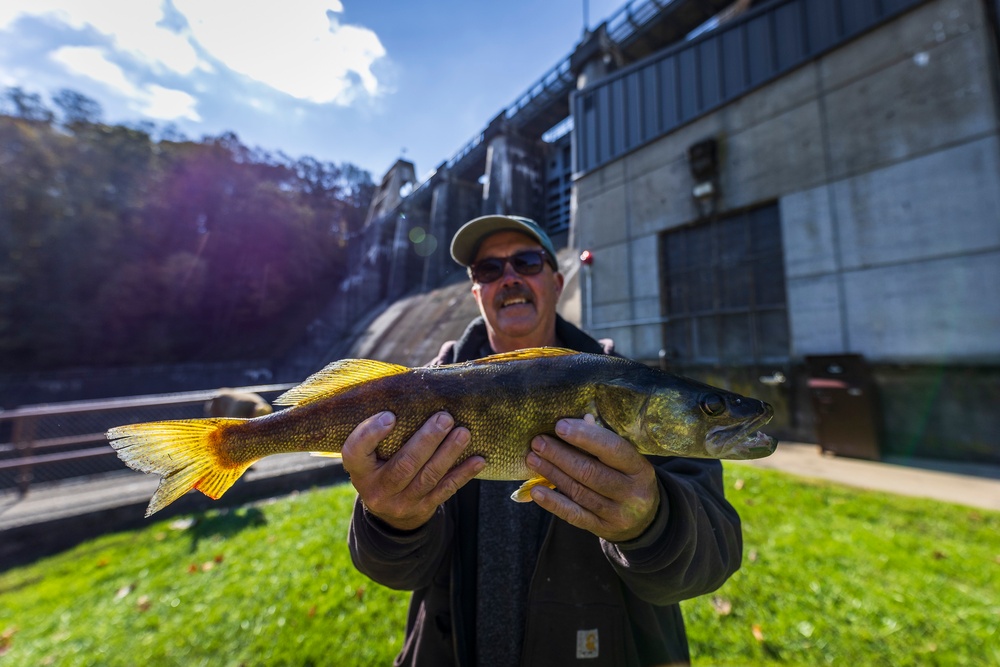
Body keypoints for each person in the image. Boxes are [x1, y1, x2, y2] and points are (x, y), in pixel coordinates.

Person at [343, 214, 742, 666]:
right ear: (476, 293)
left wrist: (653, 523)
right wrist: (390, 522)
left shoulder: (632, 394)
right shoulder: (419, 396)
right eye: (488, 270)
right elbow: (398, 572)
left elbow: (715, 555)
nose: (508, 278)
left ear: (556, 281)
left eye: (526, 262)